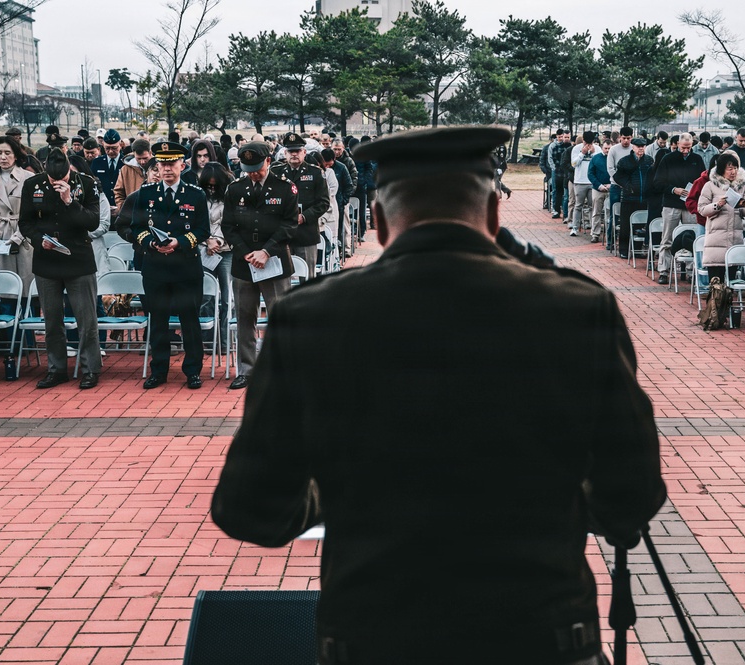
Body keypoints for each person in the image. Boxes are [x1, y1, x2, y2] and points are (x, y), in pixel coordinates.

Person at [210, 125, 666, 665]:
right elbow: (631, 495)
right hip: (539, 632)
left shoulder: (310, 317)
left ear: (379, 222)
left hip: (375, 635)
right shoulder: (576, 308)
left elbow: (252, 509)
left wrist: (344, 493)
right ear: (493, 214)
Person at [18, 149, 102, 389]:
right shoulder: (32, 184)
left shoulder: (86, 183)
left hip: (78, 259)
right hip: (47, 260)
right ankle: (56, 369)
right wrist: (38, 240)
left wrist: (69, 201)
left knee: (86, 320)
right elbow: (25, 222)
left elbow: (92, 222)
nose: (57, 182)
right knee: (52, 321)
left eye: (62, 178)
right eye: (53, 179)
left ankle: (90, 369)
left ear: (69, 171)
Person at [129, 141, 210, 390]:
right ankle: (159, 370)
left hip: (186, 267)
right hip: (156, 267)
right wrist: (151, 243)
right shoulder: (146, 193)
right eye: (162, 164)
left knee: (190, 321)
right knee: (158, 321)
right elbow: (136, 227)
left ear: (182, 166)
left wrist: (180, 242)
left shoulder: (195, 194)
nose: (166, 169)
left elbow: (203, 230)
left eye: (171, 164)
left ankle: (193, 371)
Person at [221, 142, 298, 390]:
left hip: (274, 260)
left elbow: (289, 224)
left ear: (268, 161)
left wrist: (266, 251)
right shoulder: (235, 188)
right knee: (245, 317)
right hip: (244, 263)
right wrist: (245, 252)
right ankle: (247, 369)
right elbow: (228, 226)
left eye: (257, 168)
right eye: (248, 169)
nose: (253, 174)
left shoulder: (285, 187)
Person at [0, 136, 35, 302]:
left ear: (16, 155)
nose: (3, 157)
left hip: (22, 236)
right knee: (3, 292)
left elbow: (32, 212)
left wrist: (19, 236)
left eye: (7, 153)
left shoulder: (28, 177)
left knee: (26, 291)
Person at [271, 133, 329, 278]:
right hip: (282, 234)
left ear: (304, 152)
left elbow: (323, 202)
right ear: (285, 153)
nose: (294, 154)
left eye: (297, 151)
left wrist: (304, 217)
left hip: (306, 233)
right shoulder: (276, 172)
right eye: (291, 151)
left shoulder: (315, 173)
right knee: (282, 278)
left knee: (307, 278)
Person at [653, 133, 705, 285]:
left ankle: (690, 270)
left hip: (690, 204)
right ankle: (664, 270)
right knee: (667, 238)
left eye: (689, 148)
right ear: (677, 144)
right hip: (671, 203)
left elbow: (703, 180)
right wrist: (673, 189)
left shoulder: (697, 159)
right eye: (683, 148)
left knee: (690, 238)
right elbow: (658, 182)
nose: (686, 151)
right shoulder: (668, 159)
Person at [197, 163, 234, 356]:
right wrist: (207, 241)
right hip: (204, 250)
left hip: (226, 251)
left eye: (214, 186)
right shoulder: (198, 196)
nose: (211, 189)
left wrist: (217, 241)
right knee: (206, 297)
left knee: (227, 298)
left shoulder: (230, 196)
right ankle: (209, 341)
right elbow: (194, 222)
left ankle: (226, 342)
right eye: (208, 186)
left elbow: (230, 223)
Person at [699, 152, 745, 283]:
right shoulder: (710, 185)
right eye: (729, 168)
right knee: (716, 283)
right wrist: (718, 205)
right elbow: (702, 209)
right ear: (721, 169)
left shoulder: (742, 186)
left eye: (735, 168)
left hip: (735, 238)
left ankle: (729, 297)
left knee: (731, 282)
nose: (733, 172)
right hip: (715, 240)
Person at [568, 131, 601, 239]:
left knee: (593, 206)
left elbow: (600, 164)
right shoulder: (576, 148)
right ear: (583, 140)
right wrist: (582, 153)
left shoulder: (597, 149)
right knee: (578, 205)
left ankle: (593, 229)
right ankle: (575, 227)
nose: (588, 145)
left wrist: (593, 153)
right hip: (579, 181)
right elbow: (573, 164)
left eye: (590, 143)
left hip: (593, 182)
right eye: (586, 143)